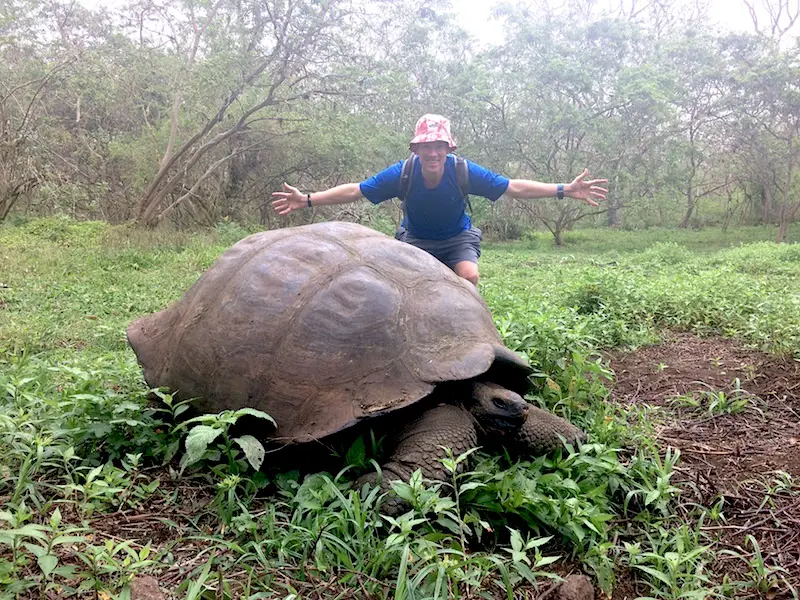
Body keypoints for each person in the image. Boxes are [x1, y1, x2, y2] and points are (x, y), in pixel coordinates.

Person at [271, 114, 608, 286]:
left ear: (448, 148)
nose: (433, 152)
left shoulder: (463, 171)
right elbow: (356, 190)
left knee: (469, 278)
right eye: (426, 146)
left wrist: (565, 189)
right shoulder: (402, 173)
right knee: (396, 286)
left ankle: (474, 334)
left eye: (439, 146)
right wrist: (309, 199)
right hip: (415, 239)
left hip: (456, 238)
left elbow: (513, 187)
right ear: (416, 149)